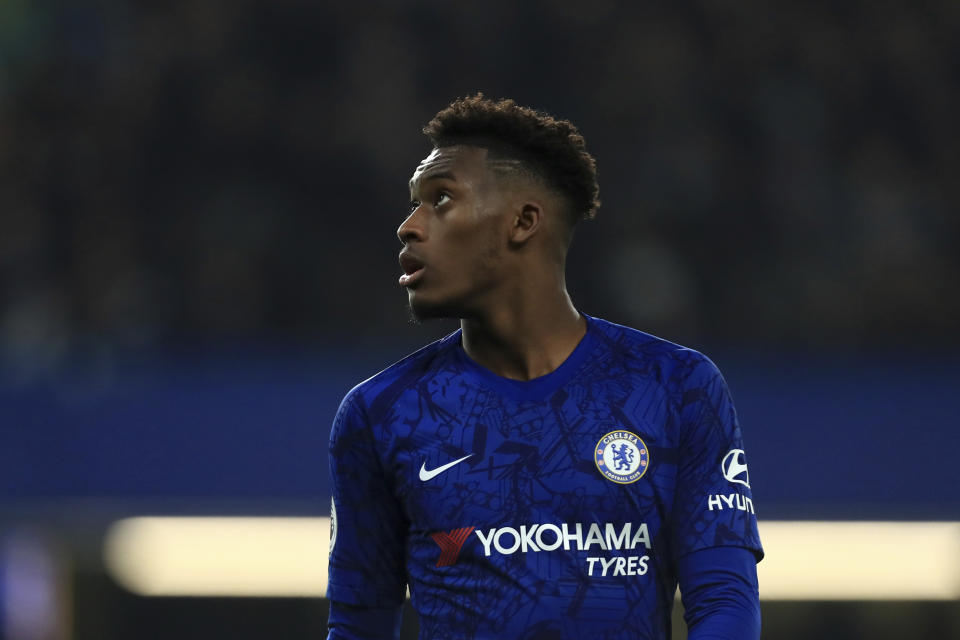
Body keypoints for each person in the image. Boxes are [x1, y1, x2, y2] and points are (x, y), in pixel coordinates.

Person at [326, 95, 762, 640]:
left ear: (523, 221)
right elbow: (357, 627)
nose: (408, 226)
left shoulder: (676, 387)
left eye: (440, 199)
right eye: (413, 203)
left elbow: (724, 602)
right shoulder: (380, 413)